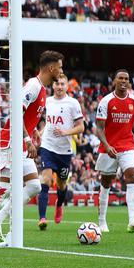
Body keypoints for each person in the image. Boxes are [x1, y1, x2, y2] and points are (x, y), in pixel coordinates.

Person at [0, 50, 64, 242]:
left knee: (35, 186)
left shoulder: (42, 89)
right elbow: (16, 112)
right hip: (11, 142)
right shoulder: (34, 86)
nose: (61, 72)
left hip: (19, 142)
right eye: (60, 68)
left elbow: (27, 117)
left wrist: (33, 130)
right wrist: (28, 139)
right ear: (51, 68)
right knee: (4, 189)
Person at [95, 70, 134, 233]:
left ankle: (132, 221)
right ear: (114, 81)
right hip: (108, 147)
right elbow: (99, 128)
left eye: (126, 79)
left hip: (127, 146)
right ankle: (102, 221)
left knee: (131, 175)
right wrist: (107, 145)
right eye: (121, 78)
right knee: (106, 182)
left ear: (129, 82)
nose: (124, 81)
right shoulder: (106, 101)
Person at [37, 73, 84, 228]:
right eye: (57, 84)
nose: (59, 87)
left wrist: (66, 133)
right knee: (45, 179)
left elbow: (81, 127)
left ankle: (59, 205)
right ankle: (42, 218)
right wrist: (41, 132)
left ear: (67, 86)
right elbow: (49, 123)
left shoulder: (73, 103)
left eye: (62, 84)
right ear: (53, 85)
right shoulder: (48, 101)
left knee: (61, 184)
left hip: (64, 151)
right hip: (47, 146)